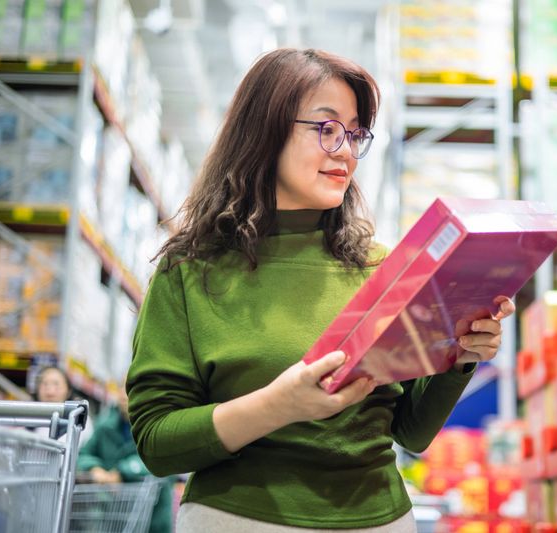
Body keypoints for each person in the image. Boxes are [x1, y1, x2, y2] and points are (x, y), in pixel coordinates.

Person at [126, 48, 515, 532]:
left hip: (380, 520)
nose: (347, 151)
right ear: (264, 131)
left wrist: (460, 352)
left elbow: (411, 431)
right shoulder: (189, 272)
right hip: (237, 519)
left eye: (355, 134)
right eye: (327, 129)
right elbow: (157, 443)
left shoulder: (385, 268)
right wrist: (276, 406)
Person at [76, 388, 173, 533]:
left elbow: (164, 459)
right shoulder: (104, 425)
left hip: (152, 517)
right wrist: (94, 468)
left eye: (135, 388)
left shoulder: (159, 424)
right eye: (124, 389)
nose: (126, 395)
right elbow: (83, 455)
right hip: (113, 515)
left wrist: (122, 471)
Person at [32, 365, 93, 444]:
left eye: (56, 384)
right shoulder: (26, 417)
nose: (50, 390)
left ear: (68, 391)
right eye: (45, 384)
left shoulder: (79, 418)